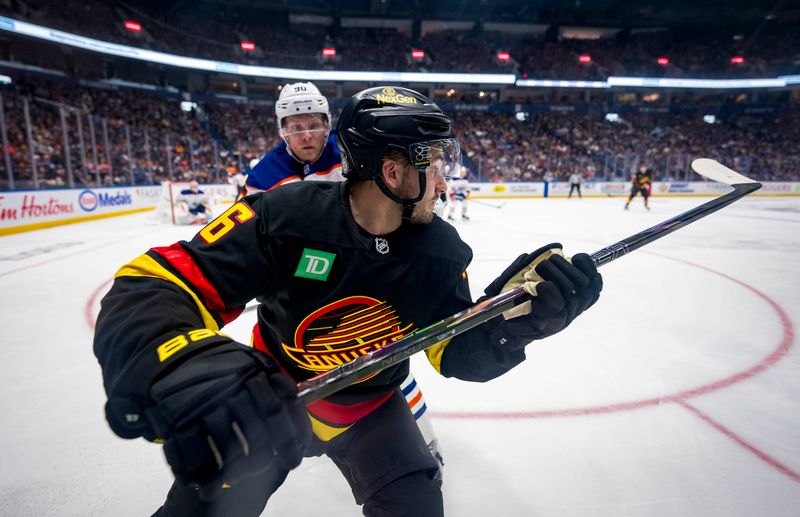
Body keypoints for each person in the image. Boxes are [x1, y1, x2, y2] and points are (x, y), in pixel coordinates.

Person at [93, 86, 603, 517]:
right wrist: (179, 360)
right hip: (268, 399)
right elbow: (151, 283)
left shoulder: (443, 252)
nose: (446, 185)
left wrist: (514, 324)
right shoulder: (281, 215)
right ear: (392, 172)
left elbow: (452, 352)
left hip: (368, 410)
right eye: (436, 163)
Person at [247, 82, 444, 469]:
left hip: (365, 276)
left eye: (314, 125)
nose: (305, 135)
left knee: (389, 368)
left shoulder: (356, 151)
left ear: (327, 124)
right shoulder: (263, 176)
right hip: (305, 292)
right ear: (281, 129)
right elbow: (256, 243)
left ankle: (425, 441)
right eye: (294, 126)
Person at [245, 82, 342, 193]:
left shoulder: (349, 152)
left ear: (326, 127)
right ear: (284, 131)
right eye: (297, 128)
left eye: (314, 126)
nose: (306, 137)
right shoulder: (262, 176)